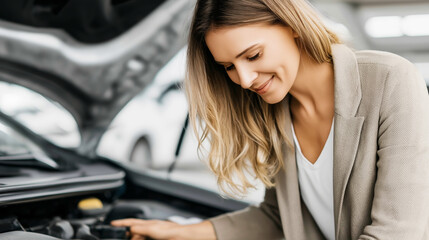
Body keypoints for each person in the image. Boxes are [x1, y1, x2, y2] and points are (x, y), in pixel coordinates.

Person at [111, 0, 429, 239]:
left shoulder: (390, 80)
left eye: (252, 56)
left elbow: (399, 233)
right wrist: (185, 232)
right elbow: (280, 218)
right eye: (229, 67)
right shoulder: (272, 112)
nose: (245, 79)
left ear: (291, 24)